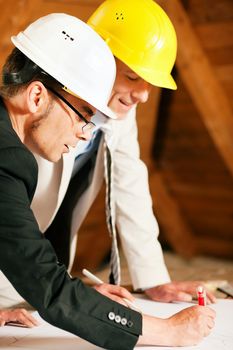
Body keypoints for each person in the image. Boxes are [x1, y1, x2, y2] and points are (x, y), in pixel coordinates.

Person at [0, 11, 216, 349]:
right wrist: (166, 331)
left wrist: (93, 299)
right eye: (84, 115)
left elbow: (130, 185)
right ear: (37, 96)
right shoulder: (9, 158)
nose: (86, 133)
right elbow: (41, 276)